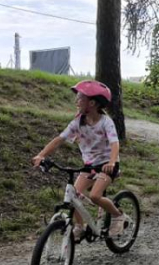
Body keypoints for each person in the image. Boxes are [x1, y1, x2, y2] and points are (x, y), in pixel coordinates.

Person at [32, 80, 124, 239]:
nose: (76, 101)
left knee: (95, 196)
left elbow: (115, 143)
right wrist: (42, 155)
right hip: (89, 166)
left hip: (107, 164)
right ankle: (80, 226)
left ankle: (118, 216)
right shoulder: (78, 122)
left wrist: (112, 162)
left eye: (80, 98)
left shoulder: (105, 122)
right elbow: (59, 139)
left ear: (92, 103)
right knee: (74, 195)